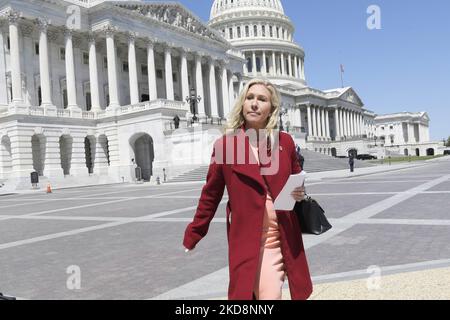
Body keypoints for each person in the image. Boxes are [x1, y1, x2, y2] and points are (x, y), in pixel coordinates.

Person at [183, 79, 313, 300]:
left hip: (279, 236)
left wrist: (298, 192)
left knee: (270, 295)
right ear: (242, 104)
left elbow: (297, 178)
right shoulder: (226, 146)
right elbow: (211, 194)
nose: (254, 103)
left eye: (262, 99)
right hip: (248, 238)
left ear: (271, 107)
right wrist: (195, 232)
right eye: (249, 98)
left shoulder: (285, 142)